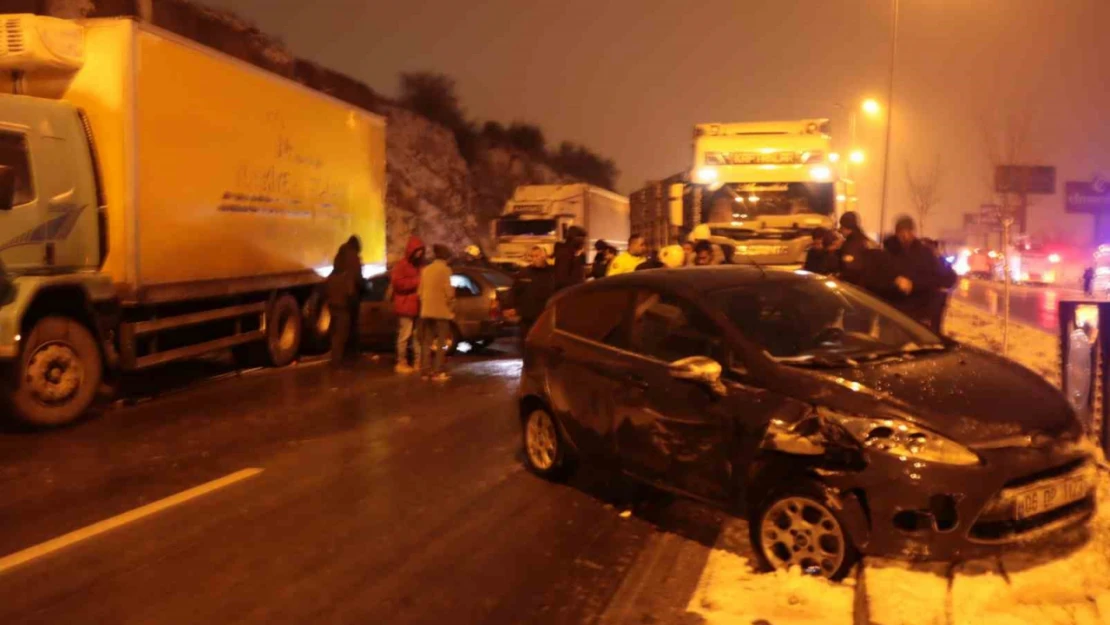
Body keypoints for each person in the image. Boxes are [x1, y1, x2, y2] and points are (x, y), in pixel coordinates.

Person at [875, 216, 957, 329]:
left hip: (917, 315)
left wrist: (913, 284)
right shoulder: (887, 252)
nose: (905, 235)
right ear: (896, 233)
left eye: (909, 231)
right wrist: (895, 281)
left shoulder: (925, 253)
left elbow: (944, 278)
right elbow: (877, 279)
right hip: (892, 313)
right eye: (901, 232)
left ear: (913, 232)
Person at [418, 244, 456, 382]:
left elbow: (420, 292)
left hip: (426, 310)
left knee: (426, 341)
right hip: (441, 311)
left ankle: (425, 371)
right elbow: (449, 293)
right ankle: (438, 371)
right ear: (445, 257)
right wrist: (452, 299)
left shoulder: (426, 270)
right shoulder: (446, 270)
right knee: (441, 342)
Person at [327, 235, 364, 366]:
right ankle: (339, 360)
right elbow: (357, 278)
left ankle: (336, 357)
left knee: (336, 329)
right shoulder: (353, 257)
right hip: (345, 299)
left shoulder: (339, 256)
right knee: (344, 330)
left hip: (333, 297)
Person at [390, 235, 425, 373]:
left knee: (417, 336)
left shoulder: (420, 266)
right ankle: (401, 362)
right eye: (417, 251)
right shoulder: (401, 266)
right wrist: (417, 281)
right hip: (405, 306)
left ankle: (418, 361)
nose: (419, 254)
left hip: (417, 306)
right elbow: (398, 284)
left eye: (421, 251)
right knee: (404, 336)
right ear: (411, 251)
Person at [509, 246, 557, 343]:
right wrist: (511, 307)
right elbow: (515, 291)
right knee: (526, 342)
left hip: (545, 316)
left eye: (537, 255)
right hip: (527, 316)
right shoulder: (524, 273)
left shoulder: (553, 273)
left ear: (545, 256)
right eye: (533, 256)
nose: (535, 258)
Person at [837, 211, 875, 286]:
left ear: (848, 228)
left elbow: (850, 270)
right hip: (869, 288)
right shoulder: (866, 240)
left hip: (855, 288)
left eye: (842, 227)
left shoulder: (851, 244)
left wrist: (838, 278)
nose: (840, 231)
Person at [553, 225, 588, 291]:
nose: (584, 241)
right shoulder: (564, 254)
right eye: (582, 238)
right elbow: (562, 279)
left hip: (576, 292)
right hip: (569, 293)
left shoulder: (578, 254)